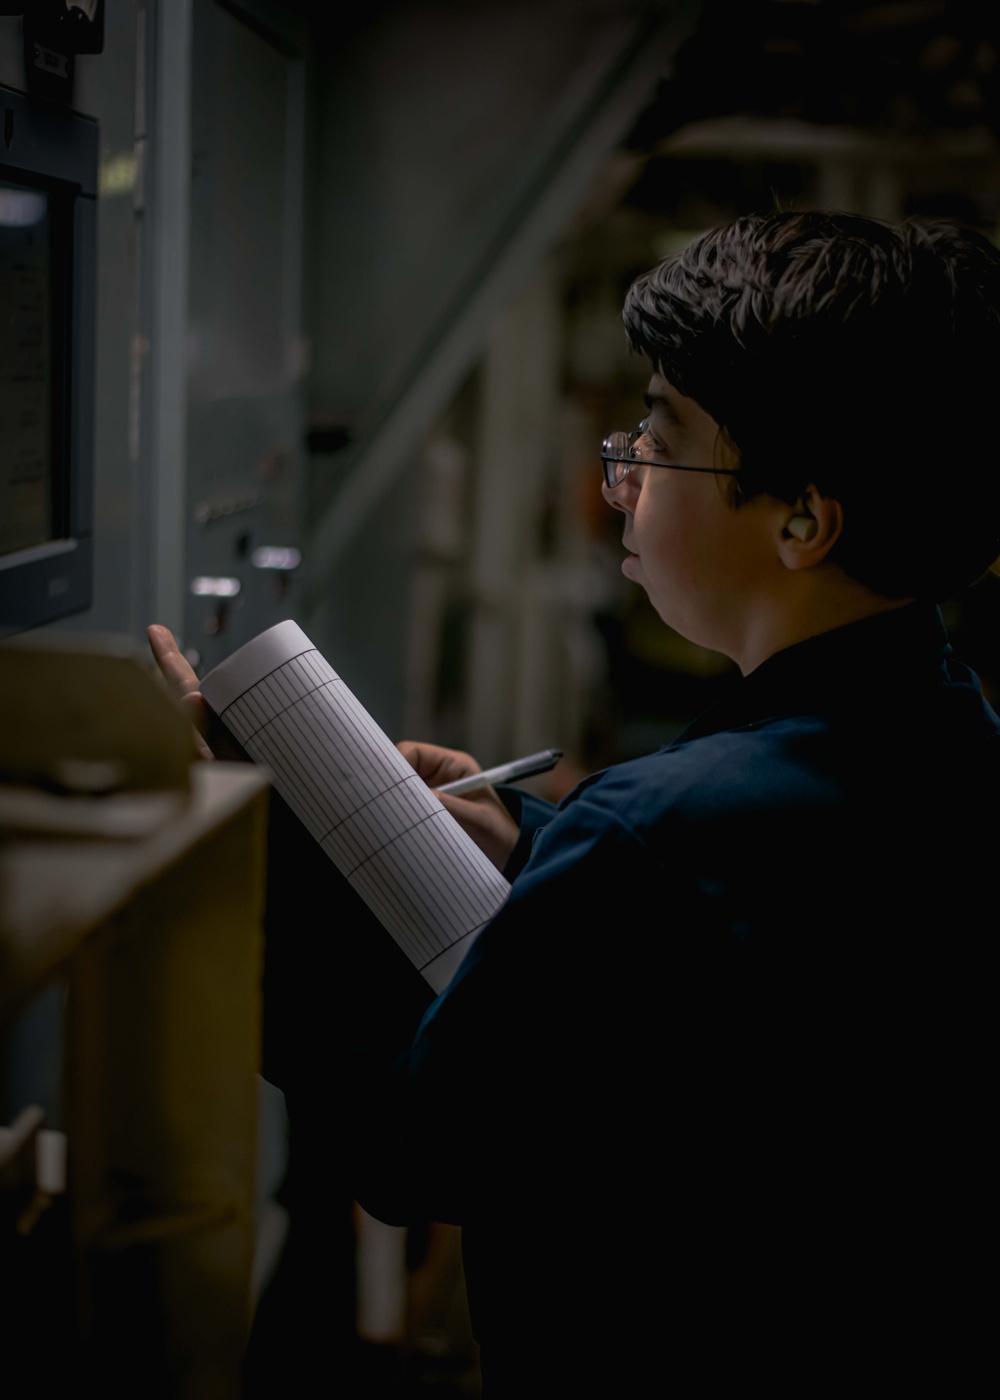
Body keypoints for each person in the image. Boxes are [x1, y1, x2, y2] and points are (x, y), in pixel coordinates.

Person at [149, 209, 1000, 1394]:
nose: (620, 481)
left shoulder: (651, 829)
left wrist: (256, 840)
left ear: (803, 520)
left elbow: (418, 1145)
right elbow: (757, 907)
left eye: (659, 440)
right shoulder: (953, 730)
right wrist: (529, 838)